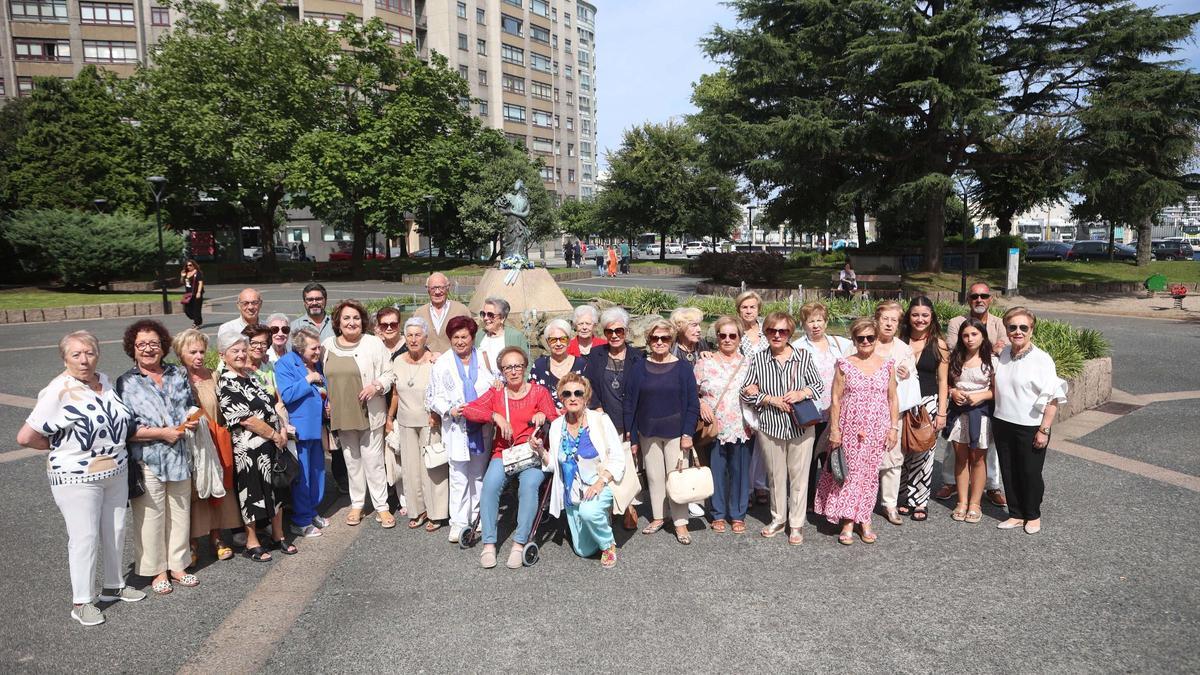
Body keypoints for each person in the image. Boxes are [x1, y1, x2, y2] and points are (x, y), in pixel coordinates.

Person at [18, 331, 146, 626]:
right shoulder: (58, 390)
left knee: (114, 530)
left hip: (115, 470)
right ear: (65, 358)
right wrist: (59, 447)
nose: (84, 359)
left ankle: (114, 586)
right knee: (84, 538)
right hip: (77, 477)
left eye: (89, 352)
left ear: (97, 354)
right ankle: (81, 601)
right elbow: (26, 436)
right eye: (76, 354)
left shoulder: (104, 380)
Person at [115, 319, 199, 595]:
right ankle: (156, 570)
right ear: (133, 348)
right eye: (142, 344)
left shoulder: (177, 374)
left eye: (154, 343)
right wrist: (162, 433)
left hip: (179, 454)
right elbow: (126, 428)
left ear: (163, 346)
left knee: (179, 513)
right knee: (150, 517)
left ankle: (178, 565)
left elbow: (190, 405)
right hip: (147, 458)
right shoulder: (127, 382)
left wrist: (191, 420)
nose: (149, 349)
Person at [463, 347, 559, 568]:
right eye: (508, 367)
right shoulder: (497, 393)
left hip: (533, 453)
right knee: (490, 485)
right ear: (502, 372)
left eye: (518, 366)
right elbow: (469, 410)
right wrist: (495, 416)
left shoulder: (539, 392)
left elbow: (555, 419)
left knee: (529, 486)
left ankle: (519, 542)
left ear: (525, 368)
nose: (514, 371)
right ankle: (488, 544)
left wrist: (543, 416)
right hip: (505, 453)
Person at [740, 311, 823, 545]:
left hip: (800, 426)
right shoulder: (758, 359)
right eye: (772, 331)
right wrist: (768, 399)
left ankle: (796, 524)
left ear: (790, 333)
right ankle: (778, 519)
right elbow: (745, 392)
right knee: (775, 477)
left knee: (799, 477)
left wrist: (801, 393)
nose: (777, 335)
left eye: (783, 331)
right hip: (771, 426)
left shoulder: (803, 357)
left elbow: (818, 386)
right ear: (765, 332)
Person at [814, 318, 899, 545]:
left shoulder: (887, 365)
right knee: (849, 474)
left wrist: (893, 428)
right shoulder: (844, 364)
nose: (865, 342)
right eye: (860, 338)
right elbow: (836, 398)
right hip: (849, 427)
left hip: (876, 428)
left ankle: (865, 518)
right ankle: (848, 521)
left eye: (870, 337)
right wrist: (834, 429)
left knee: (870, 475)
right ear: (854, 339)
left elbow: (892, 398)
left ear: (876, 338)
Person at [216, 331, 296, 560]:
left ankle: (278, 535)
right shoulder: (226, 382)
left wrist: (280, 431)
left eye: (243, 350)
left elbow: (271, 404)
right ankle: (252, 542)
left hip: (272, 443)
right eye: (235, 351)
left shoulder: (251, 376)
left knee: (276, 490)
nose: (241, 355)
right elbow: (246, 419)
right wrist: (273, 434)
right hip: (249, 449)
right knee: (252, 492)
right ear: (223, 355)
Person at [624, 318, 700, 545]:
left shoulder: (683, 368)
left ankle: (680, 522)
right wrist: (633, 436)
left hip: (676, 432)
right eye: (654, 338)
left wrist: (688, 433)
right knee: (655, 478)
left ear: (672, 340)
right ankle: (659, 516)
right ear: (648, 340)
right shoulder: (638, 368)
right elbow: (631, 406)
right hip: (649, 431)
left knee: (676, 478)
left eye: (664, 338)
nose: (659, 342)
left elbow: (692, 405)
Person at [993, 307, 1067, 535]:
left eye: (1023, 327)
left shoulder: (1042, 359)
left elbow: (1053, 397)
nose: (1017, 331)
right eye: (1012, 327)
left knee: (1030, 471)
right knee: (1008, 468)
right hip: (1002, 421)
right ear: (1006, 329)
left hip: (1031, 425)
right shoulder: (1004, 353)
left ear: (1032, 330)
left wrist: (1044, 429)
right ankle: (1015, 513)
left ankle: (1032, 514)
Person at [322, 300, 396, 528]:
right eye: (346, 318)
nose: (351, 322)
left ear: (362, 321)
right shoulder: (326, 346)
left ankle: (382, 507)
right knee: (351, 462)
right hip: (342, 415)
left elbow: (390, 373)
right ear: (338, 322)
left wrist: (376, 386)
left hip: (368, 413)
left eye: (355, 318)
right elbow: (321, 378)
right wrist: (325, 399)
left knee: (373, 462)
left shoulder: (373, 343)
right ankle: (357, 504)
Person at [172, 329, 241, 562]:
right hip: (190, 443)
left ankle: (217, 537)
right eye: (192, 352)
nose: (199, 356)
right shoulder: (175, 379)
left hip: (216, 438)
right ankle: (191, 543)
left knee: (217, 488)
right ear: (181, 353)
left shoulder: (214, 375)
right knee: (193, 493)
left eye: (202, 351)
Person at [936, 281, 1007, 506]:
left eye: (984, 296)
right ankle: (951, 484)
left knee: (984, 450)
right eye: (974, 296)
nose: (979, 300)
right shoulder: (957, 322)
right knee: (957, 449)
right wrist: (953, 390)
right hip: (959, 401)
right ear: (968, 299)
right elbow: (952, 349)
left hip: (984, 404)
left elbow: (1002, 350)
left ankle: (991, 486)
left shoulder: (999, 323)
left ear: (990, 299)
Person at [545, 373, 625, 567]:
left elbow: (617, 457)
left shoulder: (600, 420)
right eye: (567, 393)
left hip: (599, 483)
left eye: (578, 393)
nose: (573, 398)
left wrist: (600, 483)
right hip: (572, 492)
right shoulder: (556, 426)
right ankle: (597, 519)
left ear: (586, 397)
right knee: (583, 551)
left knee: (589, 513)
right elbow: (552, 465)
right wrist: (539, 449)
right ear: (561, 398)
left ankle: (608, 545)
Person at [426, 316, 494, 543]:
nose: (460, 341)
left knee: (478, 474)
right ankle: (458, 522)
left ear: (472, 337)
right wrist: (450, 410)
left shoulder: (484, 358)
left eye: (464, 336)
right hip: (457, 428)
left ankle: (477, 517)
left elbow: (497, 383)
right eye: (455, 337)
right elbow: (433, 397)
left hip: (481, 426)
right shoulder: (442, 363)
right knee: (458, 476)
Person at [584, 306, 644, 531]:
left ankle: (628, 506)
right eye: (610, 332)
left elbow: (641, 394)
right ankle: (609, 508)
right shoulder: (597, 355)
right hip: (604, 421)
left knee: (628, 466)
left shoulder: (638, 357)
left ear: (626, 331)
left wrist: (633, 427)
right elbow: (589, 385)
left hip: (629, 421)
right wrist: (597, 408)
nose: (615, 335)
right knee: (606, 466)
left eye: (619, 330)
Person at [386, 317, 448, 532]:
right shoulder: (398, 361)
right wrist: (389, 417)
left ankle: (437, 512)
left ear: (425, 337)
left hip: (429, 420)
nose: (413, 339)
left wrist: (436, 413)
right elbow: (395, 392)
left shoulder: (435, 361)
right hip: (405, 420)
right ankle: (418, 510)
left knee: (431, 468)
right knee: (411, 469)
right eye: (409, 335)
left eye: (417, 335)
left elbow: (442, 391)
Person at [791, 301, 855, 507]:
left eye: (819, 320)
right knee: (807, 459)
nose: (816, 325)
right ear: (804, 324)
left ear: (826, 322)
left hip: (836, 410)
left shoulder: (840, 344)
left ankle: (829, 499)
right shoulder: (797, 347)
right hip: (811, 411)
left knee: (832, 458)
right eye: (811, 321)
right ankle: (807, 501)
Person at [695, 316, 752, 534]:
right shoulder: (704, 362)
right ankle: (717, 513)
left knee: (739, 471)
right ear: (717, 337)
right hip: (714, 426)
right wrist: (701, 403)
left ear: (739, 338)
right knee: (716, 471)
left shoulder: (748, 363)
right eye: (722, 335)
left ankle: (738, 514)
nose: (727, 339)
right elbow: (692, 391)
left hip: (741, 425)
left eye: (732, 335)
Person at [897, 297, 949, 522]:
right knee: (900, 450)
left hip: (927, 402)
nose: (920, 319)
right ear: (909, 316)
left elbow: (943, 381)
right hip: (900, 401)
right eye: (915, 314)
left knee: (924, 452)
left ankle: (919, 500)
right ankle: (900, 497)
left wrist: (942, 412)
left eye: (925, 315)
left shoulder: (938, 343)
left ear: (931, 317)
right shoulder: (899, 340)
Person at [274, 327, 329, 538]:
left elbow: (324, 388)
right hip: (300, 429)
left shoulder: (315, 364)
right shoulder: (286, 363)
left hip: (316, 427)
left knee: (317, 473)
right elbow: (287, 394)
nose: (318, 351)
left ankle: (312, 511)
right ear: (300, 348)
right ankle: (301, 520)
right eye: (313, 348)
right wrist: (308, 380)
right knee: (303, 476)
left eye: (319, 347)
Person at [944, 317, 995, 524]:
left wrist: (981, 396)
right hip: (959, 413)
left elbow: (997, 391)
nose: (969, 339)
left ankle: (975, 503)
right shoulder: (955, 358)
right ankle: (962, 501)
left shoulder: (992, 361)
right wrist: (953, 392)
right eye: (965, 335)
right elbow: (945, 384)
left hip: (980, 414)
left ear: (983, 336)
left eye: (974, 334)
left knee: (978, 458)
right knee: (961, 457)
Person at [872, 300, 911, 526]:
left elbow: (911, 380)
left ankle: (889, 504)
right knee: (864, 458)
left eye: (893, 320)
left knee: (893, 458)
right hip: (865, 411)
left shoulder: (903, 349)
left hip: (892, 412)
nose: (888, 324)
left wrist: (906, 373)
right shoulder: (865, 340)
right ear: (877, 320)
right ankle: (863, 502)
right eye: (885, 319)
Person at [735, 290, 769, 506]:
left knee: (764, 440)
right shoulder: (734, 331)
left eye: (752, 307)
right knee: (746, 439)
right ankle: (745, 487)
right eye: (744, 307)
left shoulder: (767, 330)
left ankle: (760, 484)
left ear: (758, 309)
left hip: (767, 390)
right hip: (743, 390)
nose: (748, 311)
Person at [530, 318, 587, 410]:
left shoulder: (582, 365)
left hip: (576, 416)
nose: (558, 343)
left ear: (568, 341)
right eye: (553, 340)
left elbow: (589, 395)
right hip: (547, 418)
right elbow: (532, 395)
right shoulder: (539, 365)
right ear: (548, 342)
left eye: (563, 339)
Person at [412, 272, 470, 354]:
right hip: (427, 363)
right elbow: (414, 341)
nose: (437, 292)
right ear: (427, 289)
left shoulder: (461, 310)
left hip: (454, 363)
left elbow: (471, 339)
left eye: (441, 287)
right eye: (433, 288)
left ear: (448, 288)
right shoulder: (419, 313)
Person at [475, 297, 529, 377]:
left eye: (490, 315)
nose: (485, 318)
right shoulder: (480, 335)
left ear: (502, 318)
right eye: (483, 314)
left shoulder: (515, 337)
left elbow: (526, 365)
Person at [180, 259, 205, 329]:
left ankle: (196, 323)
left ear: (194, 265)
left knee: (197, 309)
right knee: (187, 310)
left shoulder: (198, 273)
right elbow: (182, 282)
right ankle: (198, 319)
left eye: (190, 265)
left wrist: (199, 292)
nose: (188, 267)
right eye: (187, 265)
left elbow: (200, 283)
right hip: (188, 294)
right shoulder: (186, 273)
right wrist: (182, 276)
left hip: (196, 293)